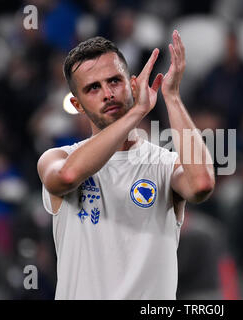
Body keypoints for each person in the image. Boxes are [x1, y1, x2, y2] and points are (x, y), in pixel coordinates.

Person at [37, 31, 215, 299]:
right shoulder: (57, 158)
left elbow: (201, 185)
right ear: (77, 104)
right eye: (93, 88)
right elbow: (68, 175)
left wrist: (173, 97)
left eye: (114, 81)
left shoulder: (164, 164)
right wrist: (137, 112)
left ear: (132, 85)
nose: (107, 93)